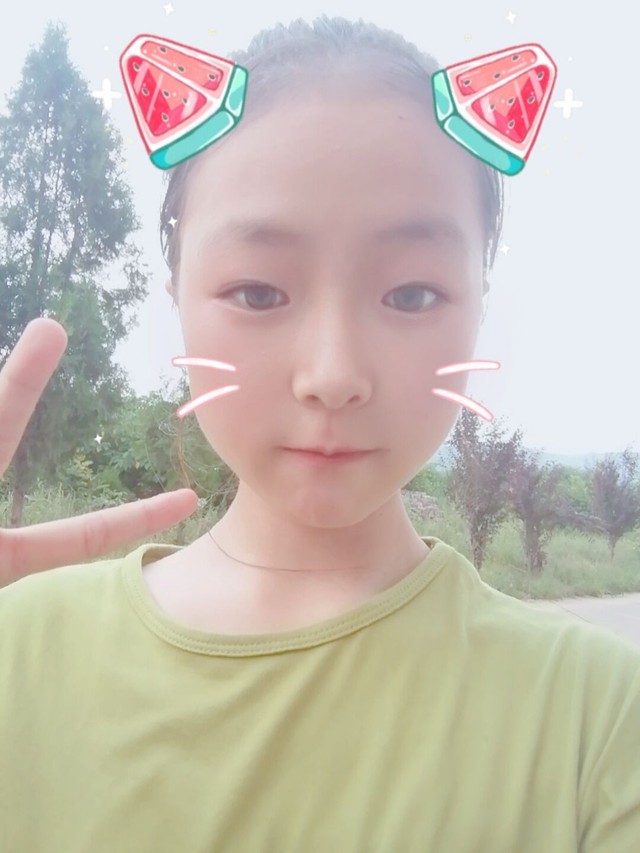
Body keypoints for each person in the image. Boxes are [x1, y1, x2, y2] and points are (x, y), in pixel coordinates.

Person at [1, 15, 638, 853]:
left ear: (478, 301)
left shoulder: (597, 716)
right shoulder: (18, 649)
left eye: (411, 295)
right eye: (259, 292)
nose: (333, 373)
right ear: (175, 292)